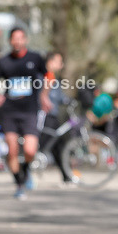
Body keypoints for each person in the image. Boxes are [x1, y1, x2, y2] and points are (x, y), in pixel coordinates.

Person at [0, 27, 51, 200]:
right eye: (14, 38)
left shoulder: (35, 58)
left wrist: (44, 96)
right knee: (12, 151)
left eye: (20, 38)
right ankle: (19, 184)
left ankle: (25, 172)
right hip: (10, 111)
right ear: (10, 41)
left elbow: (49, 76)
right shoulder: (3, 62)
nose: (17, 41)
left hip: (30, 110)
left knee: (30, 150)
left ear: (25, 40)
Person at [40, 51, 75, 184]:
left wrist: (68, 100)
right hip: (45, 116)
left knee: (58, 145)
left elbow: (59, 96)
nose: (62, 65)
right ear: (51, 62)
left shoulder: (52, 77)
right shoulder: (44, 76)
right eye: (59, 62)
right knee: (45, 145)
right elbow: (48, 96)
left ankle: (66, 176)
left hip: (52, 116)